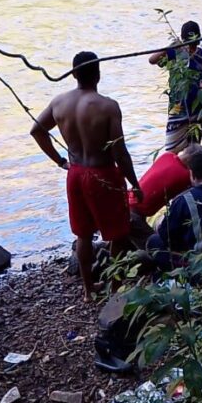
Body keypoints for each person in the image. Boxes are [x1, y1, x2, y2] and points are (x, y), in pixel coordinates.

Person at [30, 51, 142, 302]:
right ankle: (114, 287)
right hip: (103, 174)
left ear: (73, 74)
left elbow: (37, 130)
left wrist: (59, 160)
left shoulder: (59, 103)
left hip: (76, 173)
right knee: (118, 234)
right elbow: (120, 152)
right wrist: (135, 183)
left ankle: (89, 290)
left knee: (83, 234)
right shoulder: (108, 106)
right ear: (98, 74)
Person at [149, 21, 202, 153]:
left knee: (194, 146)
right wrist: (171, 46)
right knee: (172, 147)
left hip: (197, 105)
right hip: (177, 106)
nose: (190, 45)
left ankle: (191, 171)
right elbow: (152, 60)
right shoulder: (175, 53)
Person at [127, 143, 202, 249]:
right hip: (133, 216)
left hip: (126, 203)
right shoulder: (185, 177)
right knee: (157, 248)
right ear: (191, 160)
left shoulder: (166, 155)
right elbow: (188, 203)